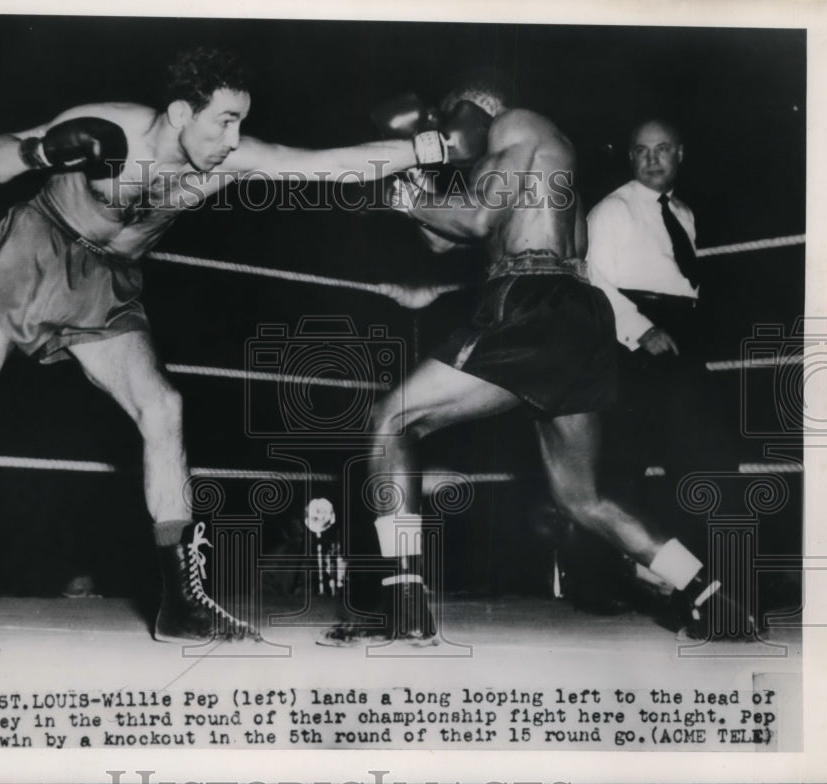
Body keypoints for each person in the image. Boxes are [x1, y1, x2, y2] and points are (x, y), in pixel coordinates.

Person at [0, 46, 479, 642]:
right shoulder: (115, 129)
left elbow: (319, 164)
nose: (233, 138)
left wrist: (432, 145)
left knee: (164, 409)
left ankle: (181, 604)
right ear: (183, 113)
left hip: (108, 284)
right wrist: (40, 150)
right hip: (39, 246)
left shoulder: (223, 160)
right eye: (224, 122)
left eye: (240, 122)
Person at [318, 71, 751, 646]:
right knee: (583, 498)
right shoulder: (539, 159)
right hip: (575, 316)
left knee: (390, 421)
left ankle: (404, 602)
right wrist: (413, 181)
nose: (445, 136)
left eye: (448, 123)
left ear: (471, 110)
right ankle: (711, 597)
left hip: (532, 303)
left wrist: (400, 192)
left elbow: (473, 220)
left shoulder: (518, 122)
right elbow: (446, 238)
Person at [587, 119, 735, 496]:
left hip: (682, 333)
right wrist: (641, 330)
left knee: (700, 454)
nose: (652, 159)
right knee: (627, 460)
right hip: (636, 340)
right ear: (630, 157)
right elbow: (590, 278)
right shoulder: (612, 210)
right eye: (642, 150)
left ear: (680, 154)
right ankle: (625, 553)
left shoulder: (683, 212)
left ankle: (693, 549)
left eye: (662, 148)